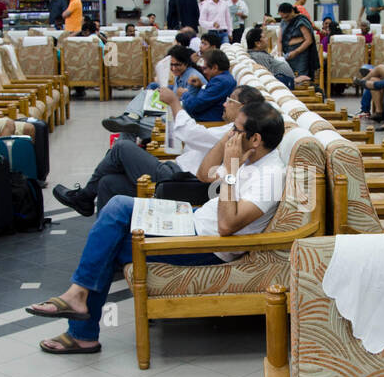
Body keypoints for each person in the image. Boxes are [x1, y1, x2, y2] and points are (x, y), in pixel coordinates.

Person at [28, 102, 287, 355]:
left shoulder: (271, 175)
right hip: (193, 220)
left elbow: (227, 225)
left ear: (255, 139)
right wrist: (225, 145)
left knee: (114, 228)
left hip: (208, 244)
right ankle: (79, 317)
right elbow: (205, 174)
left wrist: (230, 168)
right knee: (116, 212)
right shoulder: (251, 158)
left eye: (236, 130)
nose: (230, 134)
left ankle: (80, 323)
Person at [53, 85, 266, 215]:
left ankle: (83, 198)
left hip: (179, 180)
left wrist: (174, 101)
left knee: (122, 147)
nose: (224, 104)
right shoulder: (228, 128)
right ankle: (110, 250)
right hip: (174, 169)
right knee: (108, 184)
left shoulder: (235, 133)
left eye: (229, 100)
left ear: (244, 107)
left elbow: (192, 134)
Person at [180, 48, 237, 122]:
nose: (204, 72)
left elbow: (194, 106)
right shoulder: (225, 78)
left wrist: (184, 94)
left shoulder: (220, 81)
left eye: (205, 68)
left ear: (215, 68)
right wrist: (202, 85)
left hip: (209, 123)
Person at [278, 2, 318, 86]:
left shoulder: (301, 21)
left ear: (292, 11)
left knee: (302, 78)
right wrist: (279, 54)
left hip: (300, 53)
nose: (285, 19)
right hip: (287, 52)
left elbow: (308, 40)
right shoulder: (283, 22)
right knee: (287, 75)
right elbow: (280, 40)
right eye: (282, 17)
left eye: (287, 16)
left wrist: (296, 52)